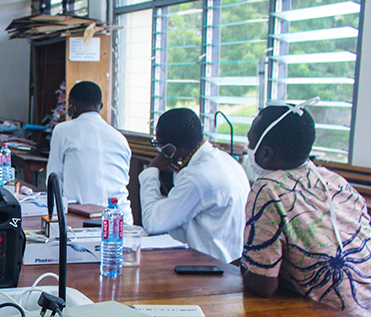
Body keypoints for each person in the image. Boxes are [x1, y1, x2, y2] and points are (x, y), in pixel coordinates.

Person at [241, 102, 371, 317]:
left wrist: (248, 266)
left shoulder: (269, 187)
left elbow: (263, 286)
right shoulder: (336, 181)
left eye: (250, 143)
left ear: (266, 153)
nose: (248, 150)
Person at [139, 108, 250, 263]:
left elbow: (152, 223)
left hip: (208, 269)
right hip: (230, 262)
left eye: (160, 146)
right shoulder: (226, 161)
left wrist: (151, 170)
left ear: (170, 149)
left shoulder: (197, 176)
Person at [47, 81, 133, 222]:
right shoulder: (120, 138)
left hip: (81, 219)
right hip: (121, 221)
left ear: (71, 108)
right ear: (101, 106)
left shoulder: (63, 131)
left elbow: (53, 181)